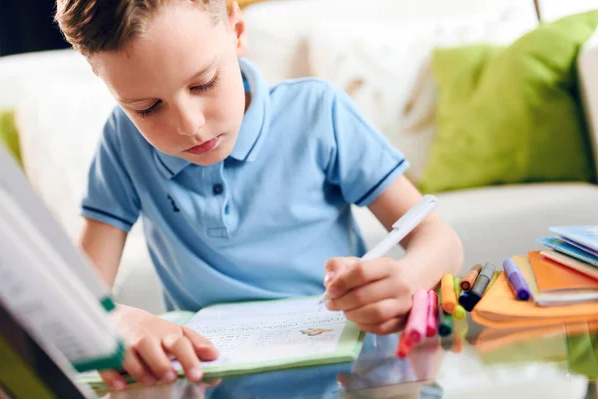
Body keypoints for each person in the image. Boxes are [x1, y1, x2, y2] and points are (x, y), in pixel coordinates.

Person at [54, 0, 463, 390]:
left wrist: (405, 279)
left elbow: (440, 241)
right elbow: (80, 299)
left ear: (236, 29)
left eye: (203, 83)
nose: (190, 126)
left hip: (348, 377)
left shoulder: (318, 112)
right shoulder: (122, 142)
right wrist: (119, 321)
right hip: (212, 383)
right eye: (146, 108)